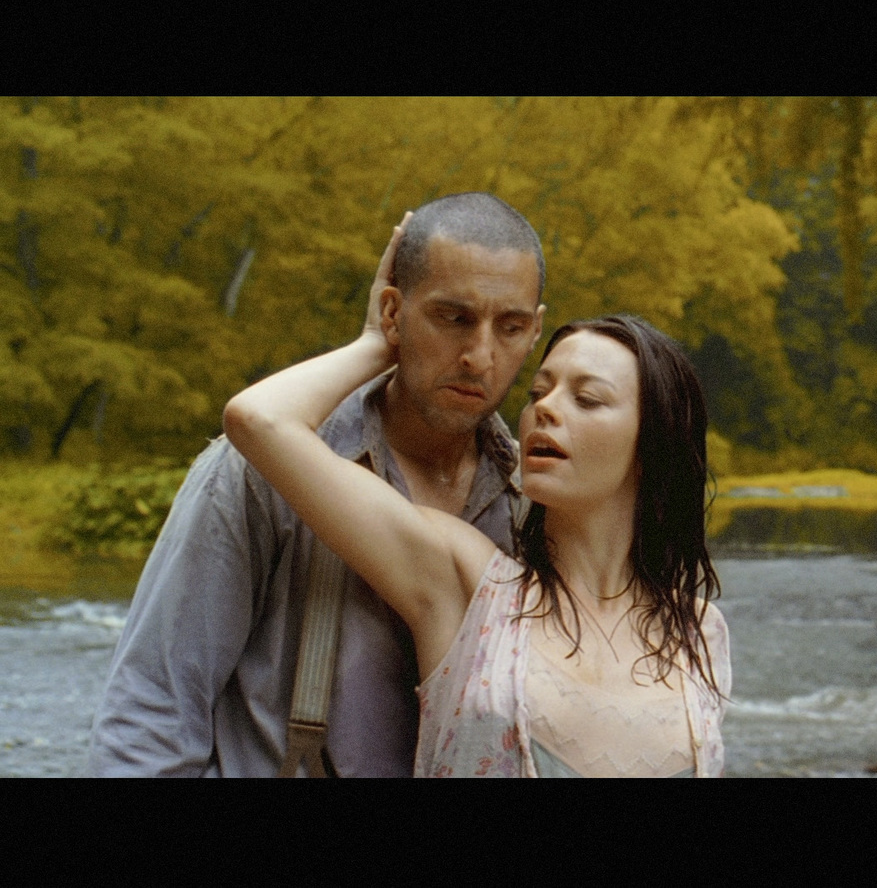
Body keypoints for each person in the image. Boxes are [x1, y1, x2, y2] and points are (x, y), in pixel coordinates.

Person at [222, 236, 729, 776]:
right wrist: (379, 340)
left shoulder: (700, 631)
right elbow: (259, 421)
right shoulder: (467, 584)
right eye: (538, 392)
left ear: (653, 446)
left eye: (586, 399)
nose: (545, 410)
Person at [89, 193, 547, 776]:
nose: (480, 356)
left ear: (534, 331)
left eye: (509, 327)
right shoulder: (263, 467)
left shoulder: (534, 501)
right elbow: (151, 711)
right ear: (392, 312)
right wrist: (370, 350)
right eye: (453, 318)